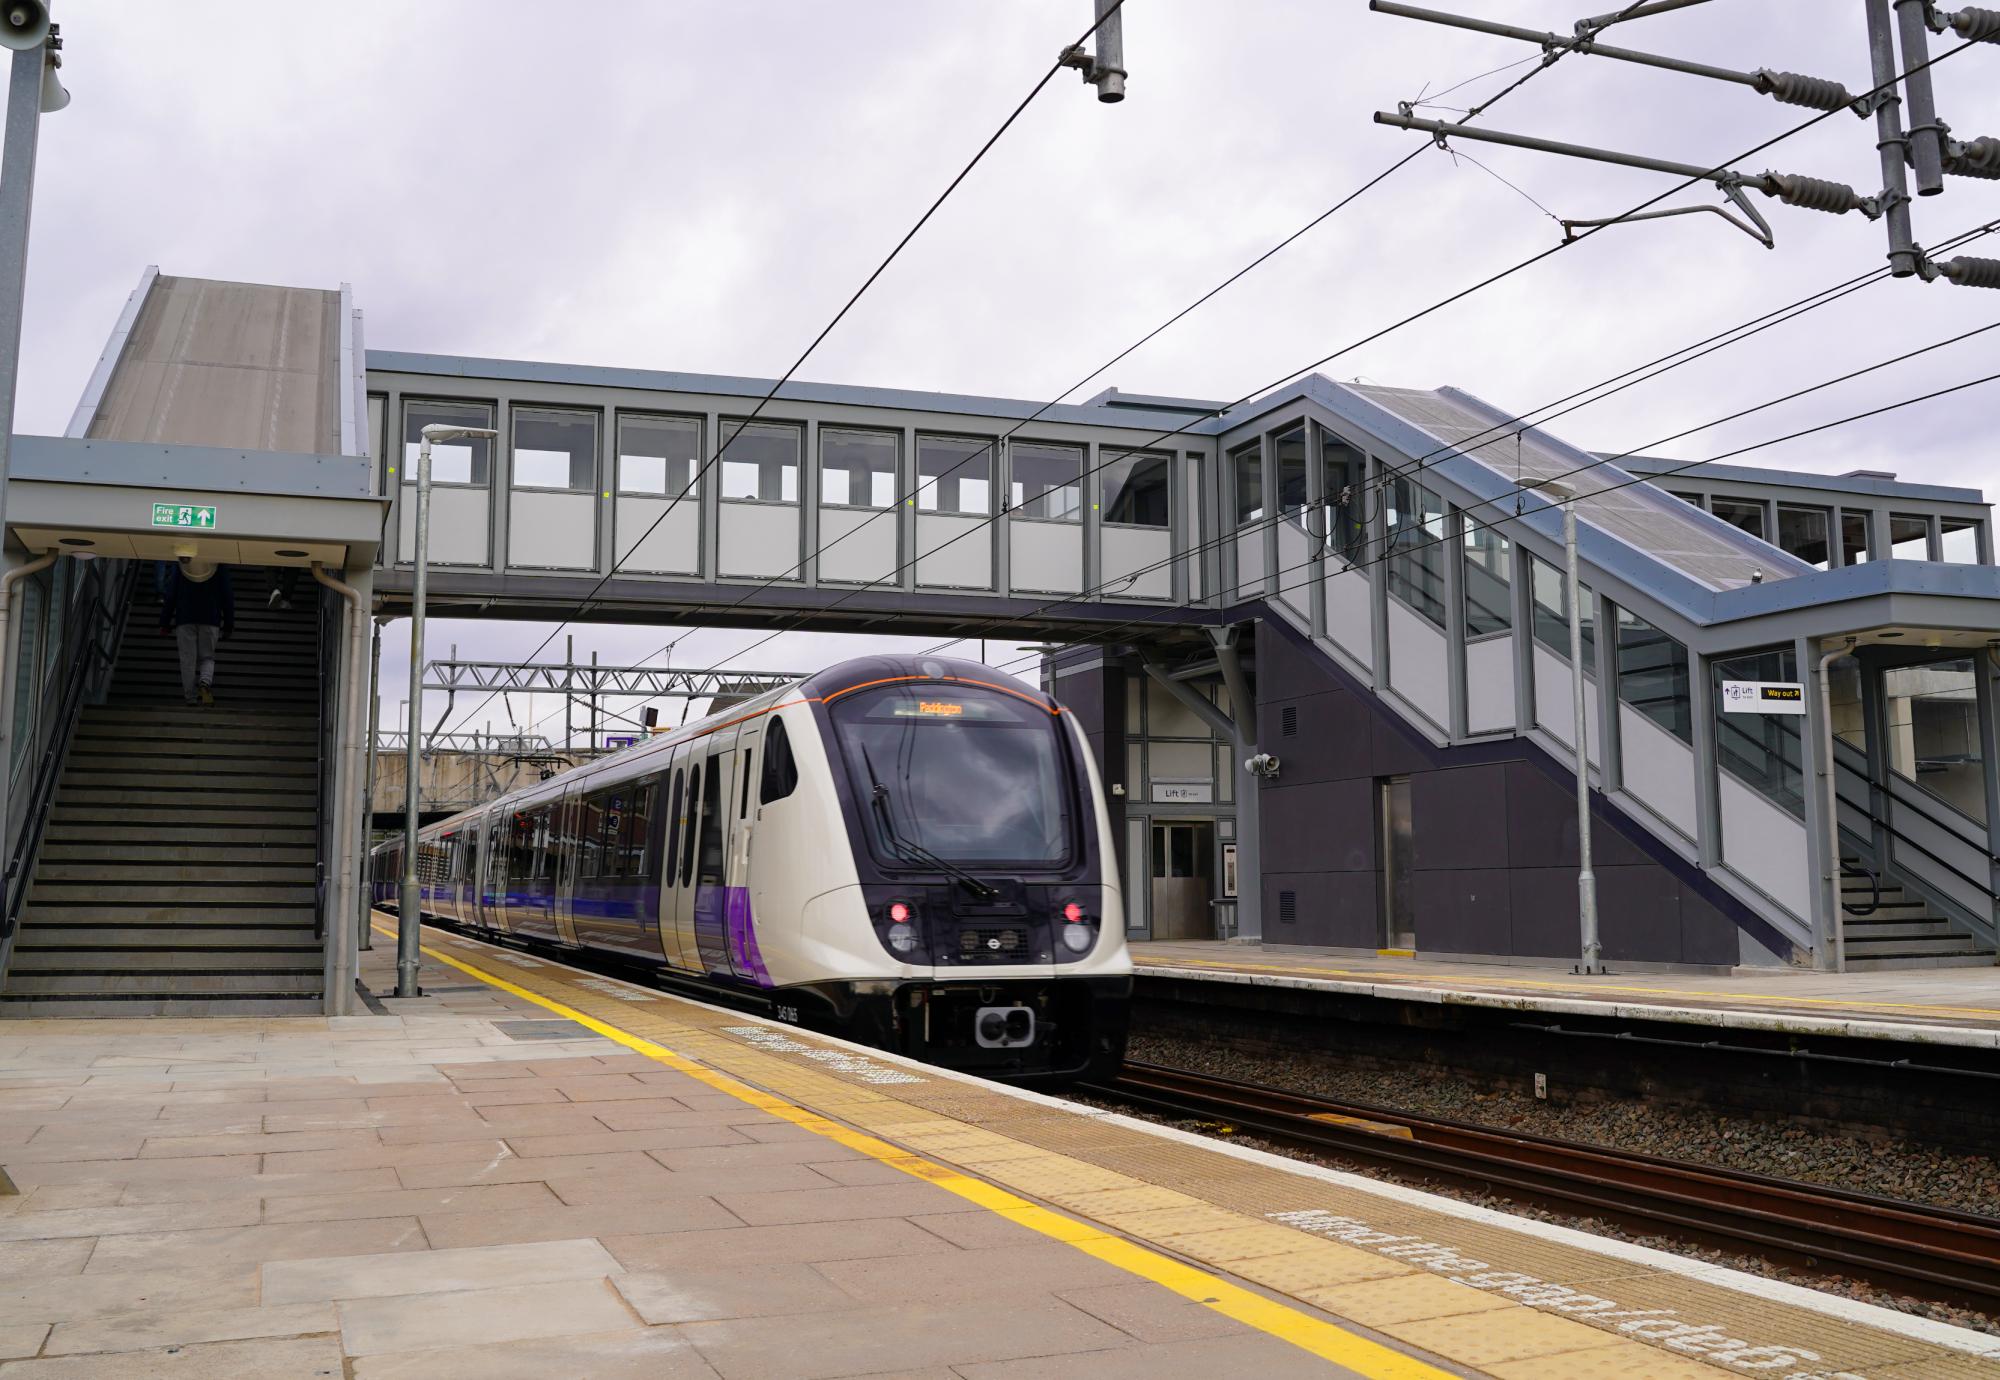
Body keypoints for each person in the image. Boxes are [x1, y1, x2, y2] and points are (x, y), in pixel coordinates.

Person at [159, 557, 234, 706]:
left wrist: (165, 622)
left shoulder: (183, 562)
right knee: (207, 657)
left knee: (187, 660)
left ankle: (191, 698)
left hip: (185, 616)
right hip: (210, 617)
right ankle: (205, 682)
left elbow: (171, 592)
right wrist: (229, 624)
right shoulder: (219, 563)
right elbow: (227, 594)